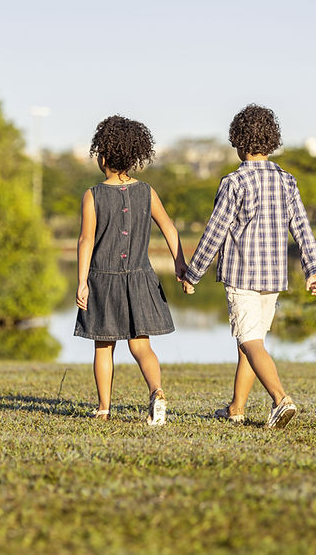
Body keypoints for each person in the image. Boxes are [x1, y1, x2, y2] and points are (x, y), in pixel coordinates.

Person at [182, 104, 316, 429]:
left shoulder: (234, 182)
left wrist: (193, 273)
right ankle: (236, 408)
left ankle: (281, 399)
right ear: (272, 140)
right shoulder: (287, 181)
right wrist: (313, 267)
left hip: (242, 275)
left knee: (250, 341)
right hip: (273, 277)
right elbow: (301, 226)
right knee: (251, 340)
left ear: (237, 141)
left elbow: (215, 231)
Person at [75, 115, 188, 426]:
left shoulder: (93, 195)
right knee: (141, 345)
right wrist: (179, 263)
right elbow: (169, 228)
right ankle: (156, 391)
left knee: (103, 345)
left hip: (103, 279)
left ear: (103, 155)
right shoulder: (147, 191)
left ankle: (103, 408)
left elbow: (86, 241)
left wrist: (82, 281)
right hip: (141, 279)